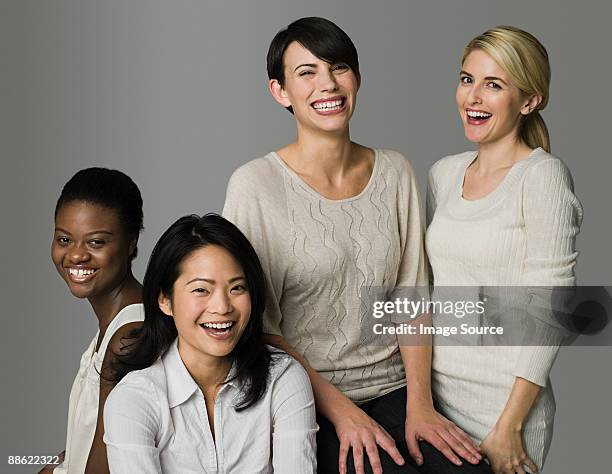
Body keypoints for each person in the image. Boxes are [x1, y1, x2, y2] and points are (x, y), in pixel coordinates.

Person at [223, 17, 489, 474]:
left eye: (339, 67)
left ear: (357, 79)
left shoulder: (395, 170)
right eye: (306, 72)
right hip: (301, 393)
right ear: (280, 91)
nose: (327, 83)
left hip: (397, 386)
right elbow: (257, 326)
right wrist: (344, 413)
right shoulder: (255, 185)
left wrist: (420, 406)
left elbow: (411, 298)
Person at [426, 26, 583, 473]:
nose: (472, 97)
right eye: (466, 79)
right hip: (436, 409)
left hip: (502, 413)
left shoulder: (543, 177)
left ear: (529, 101)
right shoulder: (443, 174)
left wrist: (510, 425)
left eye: (493, 85)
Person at [103, 214, 317, 473]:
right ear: (165, 300)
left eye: (237, 288)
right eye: (201, 290)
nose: (223, 307)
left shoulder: (283, 379)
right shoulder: (133, 400)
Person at [45, 168, 145, 474]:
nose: (76, 256)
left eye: (96, 242)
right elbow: (86, 445)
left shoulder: (130, 337)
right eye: (64, 239)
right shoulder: (117, 327)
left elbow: (107, 465)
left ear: (130, 243)